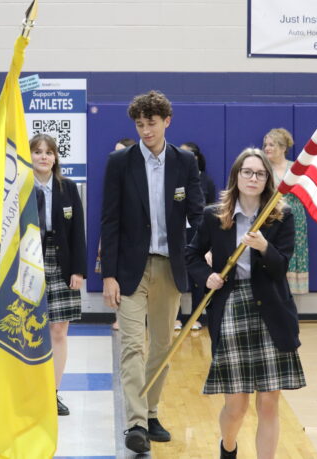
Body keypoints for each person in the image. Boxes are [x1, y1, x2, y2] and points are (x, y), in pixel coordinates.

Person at [101, 90, 204, 453]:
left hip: (170, 266)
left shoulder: (185, 162)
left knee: (162, 344)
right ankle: (136, 423)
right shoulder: (119, 162)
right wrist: (108, 274)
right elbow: (109, 220)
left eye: (152, 123)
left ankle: (151, 409)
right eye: (140, 124)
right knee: (132, 346)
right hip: (130, 268)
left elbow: (197, 213)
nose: (146, 130)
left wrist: (205, 253)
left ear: (167, 122)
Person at [186, 148, 305, 459]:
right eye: (247, 172)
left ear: (268, 179)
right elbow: (191, 256)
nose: (253, 178)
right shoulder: (215, 216)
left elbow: (281, 269)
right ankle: (228, 446)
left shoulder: (282, 215)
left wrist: (265, 247)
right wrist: (207, 276)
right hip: (231, 309)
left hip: (271, 310)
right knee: (236, 406)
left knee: (269, 401)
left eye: (260, 173)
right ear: (236, 176)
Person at [31, 133, 87, 416]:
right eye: (38, 151)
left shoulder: (67, 188)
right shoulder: (21, 188)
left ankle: (52, 392)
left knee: (59, 329)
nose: (43, 156)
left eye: (49, 152)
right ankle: (31, 391)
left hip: (62, 260)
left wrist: (78, 269)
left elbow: (78, 232)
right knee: (31, 329)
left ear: (55, 158)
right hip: (30, 261)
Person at [95, 137, 136, 331]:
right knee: (115, 279)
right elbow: (109, 216)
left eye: (120, 151)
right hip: (116, 239)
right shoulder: (113, 176)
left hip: (134, 242)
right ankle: (120, 316)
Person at [175, 141, 217, 331]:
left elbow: (209, 211)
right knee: (174, 275)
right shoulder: (174, 177)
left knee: (197, 276)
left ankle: (196, 316)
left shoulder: (206, 181)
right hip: (177, 232)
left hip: (197, 233)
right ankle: (175, 317)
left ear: (196, 158)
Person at [263, 128, 309, 295]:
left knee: (292, 252)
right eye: (265, 145)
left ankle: (289, 298)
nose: (267, 148)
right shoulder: (263, 168)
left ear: (283, 148)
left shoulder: (295, 169)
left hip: (295, 217)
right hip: (270, 217)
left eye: (271, 145)